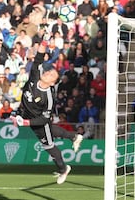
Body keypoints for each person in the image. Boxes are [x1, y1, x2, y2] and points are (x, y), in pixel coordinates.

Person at [10, 41, 83, 185]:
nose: (48, 73)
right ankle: (73, 136)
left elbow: (43, 120)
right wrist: (43, 42)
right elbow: (39, 58)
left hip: (37, 121)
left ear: (52, 82)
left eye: (51, 75)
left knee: (48, 146)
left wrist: (25, 122)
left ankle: (63, 169)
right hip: (26, 112)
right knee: (51, 131)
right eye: (49, 71)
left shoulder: (48, 97)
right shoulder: (35, 77)